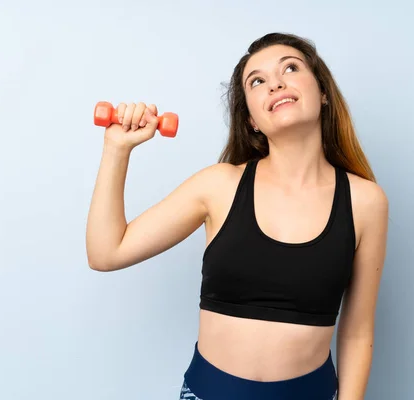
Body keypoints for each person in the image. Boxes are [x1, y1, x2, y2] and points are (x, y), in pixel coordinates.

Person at [86, 32, 389, 400]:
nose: (275, 83)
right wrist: (116, 149)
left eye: (290, 68)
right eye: (257, 81)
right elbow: (106, 253)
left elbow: (357, 331)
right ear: (251, 121)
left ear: (323, 92)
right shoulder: (218, 186)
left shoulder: (365, 202)